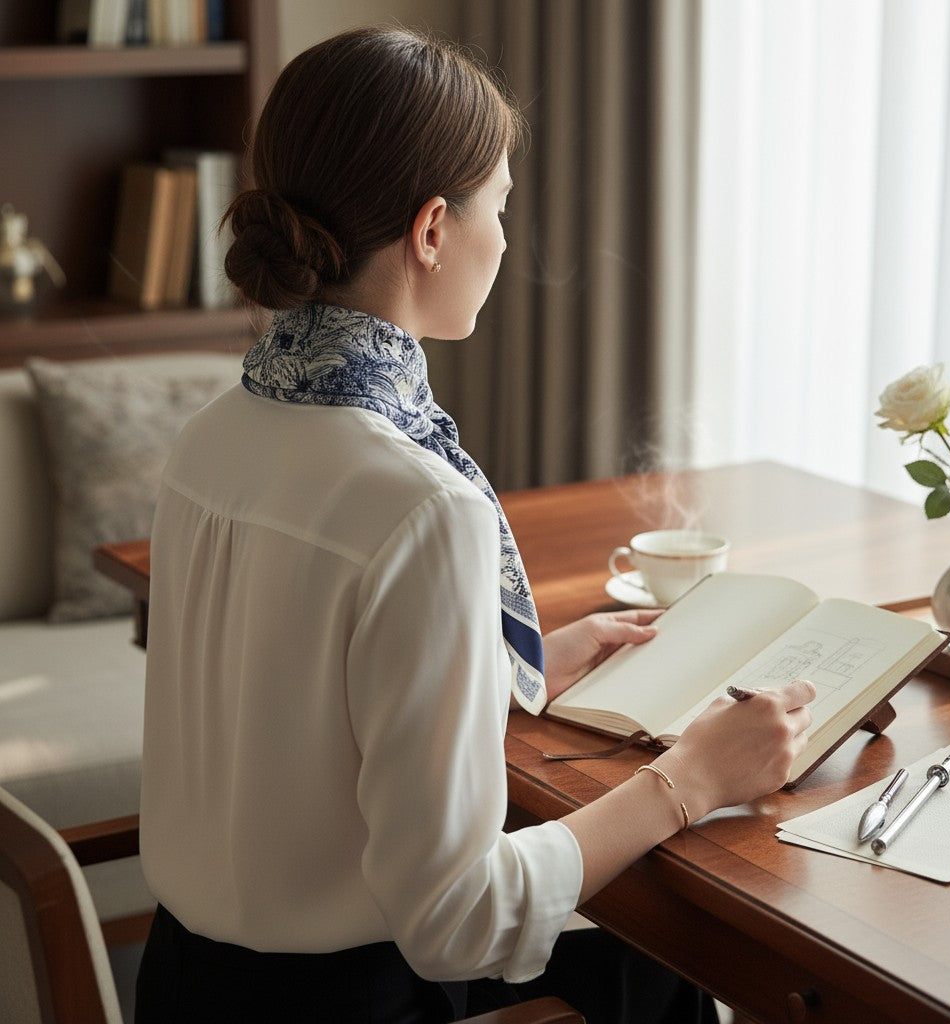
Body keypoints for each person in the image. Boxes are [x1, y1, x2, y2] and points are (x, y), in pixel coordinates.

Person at [134, 25, 815, 1024]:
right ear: (432, 230)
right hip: (346, 1004)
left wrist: (501, 668)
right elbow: (455, 919)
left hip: (188, 984)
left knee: (642, 965)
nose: (504, 238)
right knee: (667, 957)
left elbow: (291, 717)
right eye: (499, 205)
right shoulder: (420, 504)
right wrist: (689, 778)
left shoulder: (216, 433)